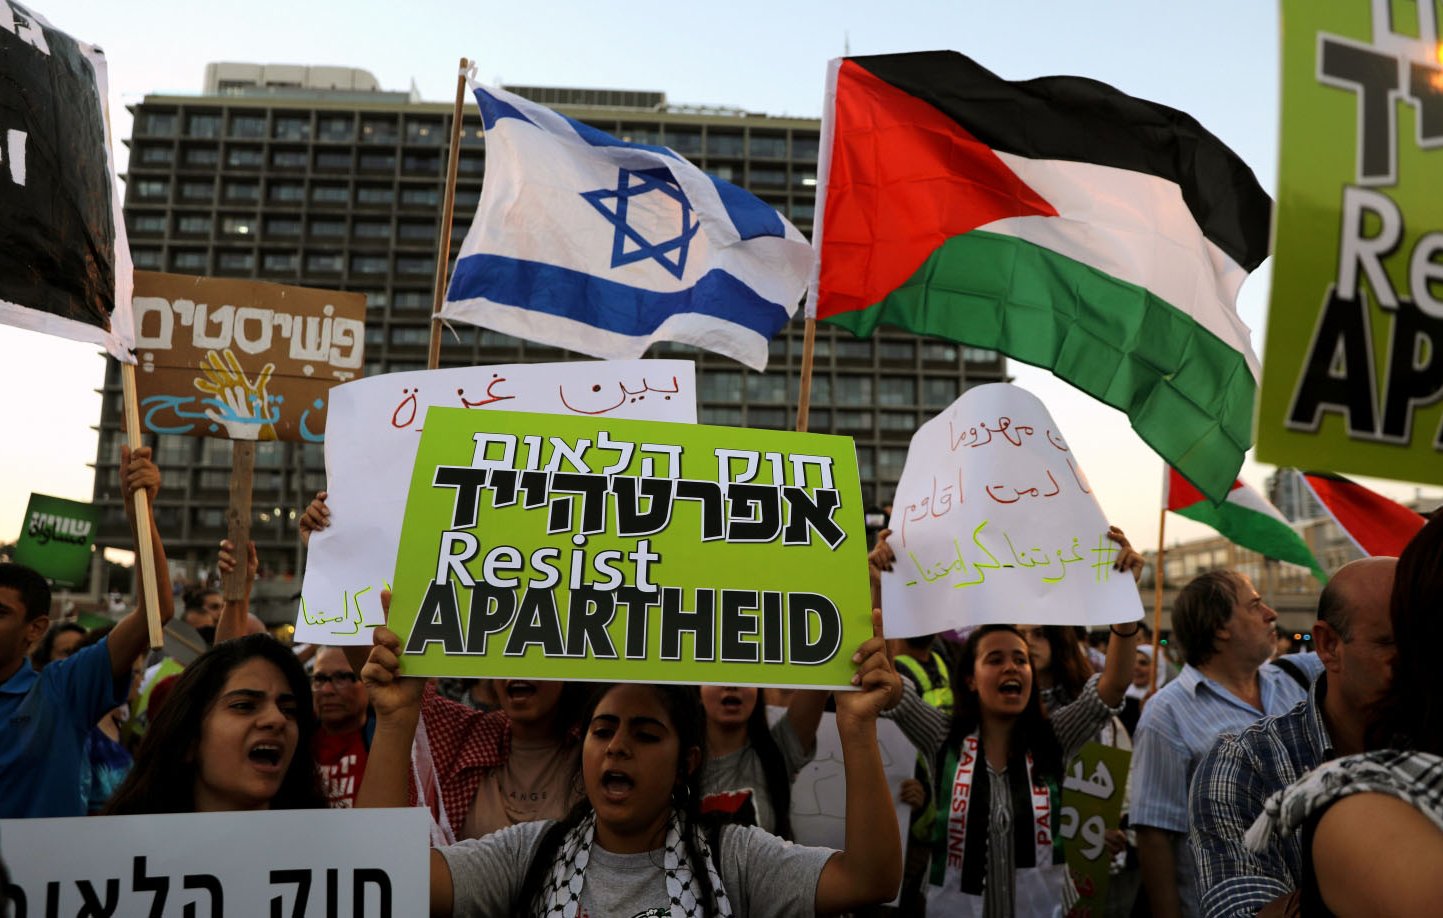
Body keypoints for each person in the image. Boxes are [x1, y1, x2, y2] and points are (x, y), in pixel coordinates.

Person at [356, 611, 904, 916]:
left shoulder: (732, 856)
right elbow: (390, 880)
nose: (617, 747)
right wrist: (396, 720)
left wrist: (856, 727)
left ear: (687, 762)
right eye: (603, 729)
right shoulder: (529, 853)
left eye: (645, 734)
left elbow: (868, 881)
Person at [879, 526, 1146, 916]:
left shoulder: (1056, 735)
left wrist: (1124, 598)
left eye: (1020, 659)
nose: (1013, 667)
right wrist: (879, 587)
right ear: (970, 678)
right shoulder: (941, 734)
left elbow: (1113, 685)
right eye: (995, 659)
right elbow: (885, 683)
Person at [1187, 557, 1395, 918]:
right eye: (1391, 644)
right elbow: (1155, 834)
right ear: (1329, 645)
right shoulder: (1242, 763)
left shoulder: (1285, 677)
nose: (1271, 613)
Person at [1130, 570, 1324, 918]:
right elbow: (1155, 836)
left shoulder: (1299, 678)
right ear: (1220, 627)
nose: (1271, 613)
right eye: (1254, 605)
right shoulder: (1166, 714)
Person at [0, 446, 174, 818]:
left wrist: (138, 513)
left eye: (0, 613)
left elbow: (154, 612)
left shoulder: (60, 692)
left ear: (36, 629)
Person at [105, 633, 327, 813]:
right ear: (190, 739)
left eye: (289, 710)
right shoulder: (120, 857)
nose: (277, 719)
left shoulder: (334, 853)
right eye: (244, 705)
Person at [698, 684, 825, 837]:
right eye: (716, 675)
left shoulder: (778, 750)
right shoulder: (677, 764)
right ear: (697, 690)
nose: (731, 684)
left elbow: (819, 682)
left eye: (745, 676)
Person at [311, 645, 375, 807]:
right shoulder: (294, 742)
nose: (326, 690)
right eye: (319, 679)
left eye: (342, 678)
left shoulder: (388, 744)